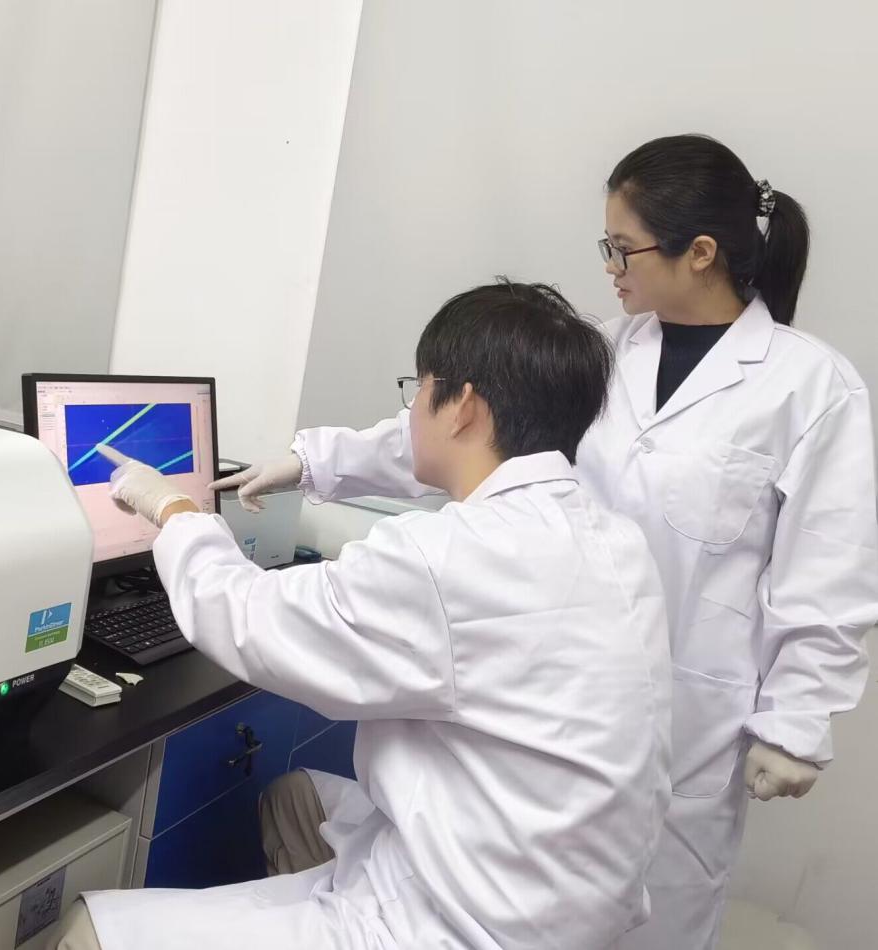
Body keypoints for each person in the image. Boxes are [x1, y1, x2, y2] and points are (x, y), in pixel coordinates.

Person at [233, 135, 878, 950]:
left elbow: (827, 567)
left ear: (699, 253)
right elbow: (460, 427)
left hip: (690, 721)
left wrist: (797, 718)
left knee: (655, 919)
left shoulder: (809, 386)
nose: (608, 266)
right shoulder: (598, 351)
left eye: (622, 247)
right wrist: (316, 461)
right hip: (549, 691)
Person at [46, 280, 672, 950]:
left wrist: (171, 509)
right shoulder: (612, 539)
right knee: (295, 798)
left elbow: (249, 619)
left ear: (463, 406)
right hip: (548, 888)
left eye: (417, 390)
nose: (410, 414)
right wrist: (304, 464)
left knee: (89, 933)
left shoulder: (452, 556)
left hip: (460, 925)